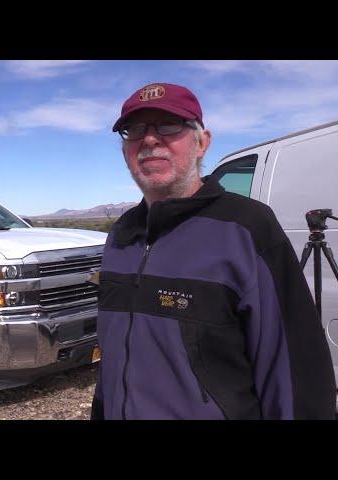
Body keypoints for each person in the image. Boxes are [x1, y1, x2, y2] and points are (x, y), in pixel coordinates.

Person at [91, 82, 336, 420]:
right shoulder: (120, 235)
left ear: (202, 142)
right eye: (134, 129)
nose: (149, 140)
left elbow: (296, 374)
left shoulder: (247, 228)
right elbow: (113, 360)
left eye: (168, 124)